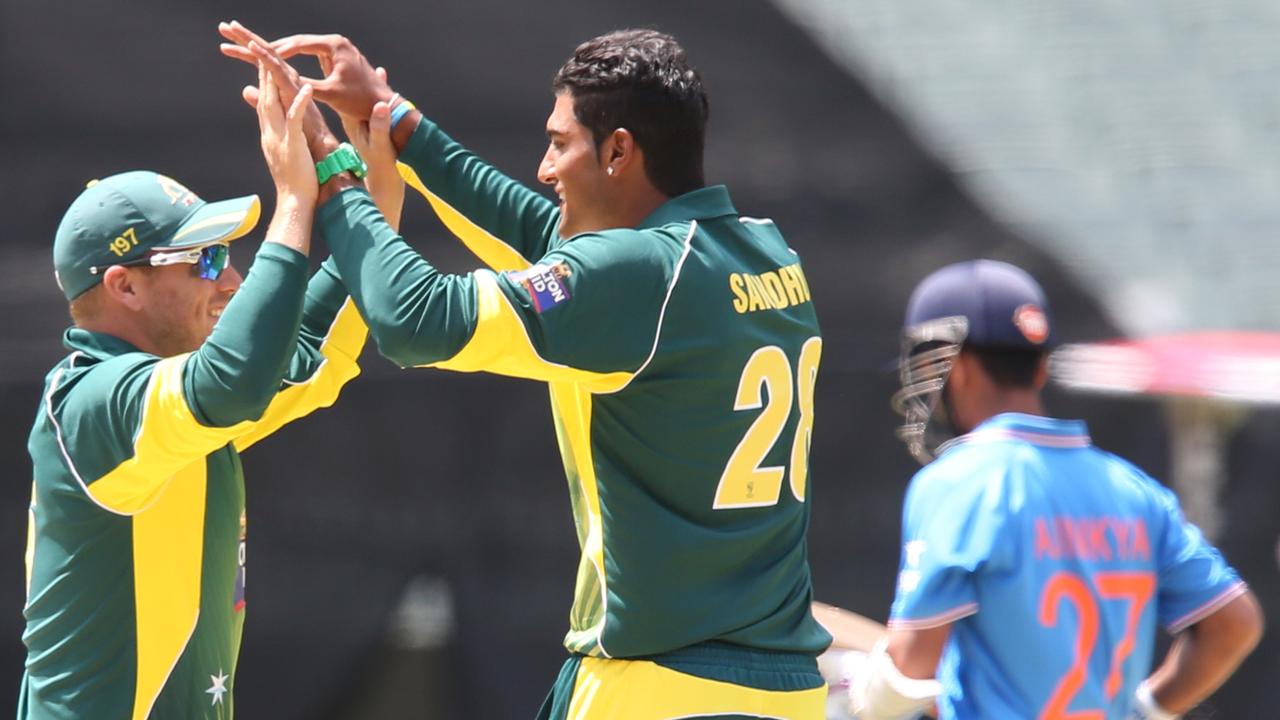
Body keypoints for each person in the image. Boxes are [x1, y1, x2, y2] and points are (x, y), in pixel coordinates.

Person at [220, 22, 832, 718]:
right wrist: (394, 120)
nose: (544, 167)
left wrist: (336, 179)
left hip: (660, 691)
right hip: (787, 693)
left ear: (620, 151)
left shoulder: (635, 278)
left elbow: (416, 322)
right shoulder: (766, 253)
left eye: (559, 142)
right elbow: (548, 240)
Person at [19, 66, 373, 718]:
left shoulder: (181, 406)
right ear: (124, 287)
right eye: (206, 260)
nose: (231, 280)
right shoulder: (93, 403)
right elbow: (236, 378)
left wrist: (353, 169)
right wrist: (293, 203)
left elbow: (313, 333)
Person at [841, 259, 1264, 720]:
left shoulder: (957, 482)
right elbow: (1234, 623)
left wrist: (859, 698)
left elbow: (908, 669)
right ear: (1041, 368)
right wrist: (1143, 711)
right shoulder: (1134, 489)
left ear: (957, 367)